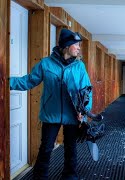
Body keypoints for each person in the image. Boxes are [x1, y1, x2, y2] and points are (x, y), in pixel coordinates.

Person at [10, 28, 92, 179]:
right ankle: (40, 177)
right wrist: (6, 82)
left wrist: (85, 110)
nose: (79, 48)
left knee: (70, 148)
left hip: (73, 115)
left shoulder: (79, 66)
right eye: (77, 45)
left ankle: (70, 176)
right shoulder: (46, 64)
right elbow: (28, 81)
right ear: (67, 45)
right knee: (46, 148)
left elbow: (87, 90)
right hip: (50, 114)